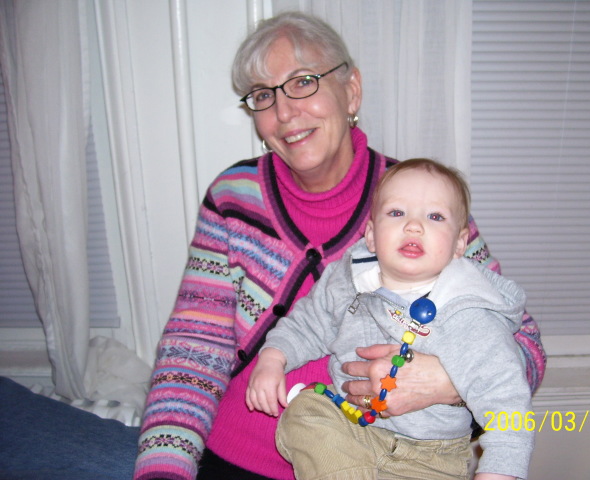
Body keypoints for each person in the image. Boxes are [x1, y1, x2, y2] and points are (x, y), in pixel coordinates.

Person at [133, 11, 545, 480]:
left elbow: (524, 346)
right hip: (236, 456)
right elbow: (193, 347)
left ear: (351, 91)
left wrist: (448, 382)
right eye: (264, 95)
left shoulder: (423, 204)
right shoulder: (235, 198)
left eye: (303, 82)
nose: (284, 112)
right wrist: (163, 469)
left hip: (392, 462)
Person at [247, 158, 534, 480]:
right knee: (305, 410)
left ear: (459, 244)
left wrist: (498, 473)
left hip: (429, 456)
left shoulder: (469, 311)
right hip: (347, 424)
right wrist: (273, 358)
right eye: (397, 213)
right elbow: (307, 325)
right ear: (371, 234)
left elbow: (506, 400)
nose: (414, 226)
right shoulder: (345, 280)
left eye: (435, 216)